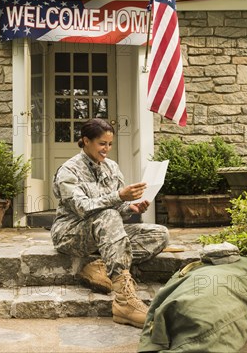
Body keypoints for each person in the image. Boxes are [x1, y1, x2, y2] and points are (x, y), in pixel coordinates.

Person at [51, 118, 169, 328]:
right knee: (108, 216)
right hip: (71, 232)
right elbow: (82, 208)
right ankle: (125, 300)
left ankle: (99, 267)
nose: (107, 149)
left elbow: (119, 209)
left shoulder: (112, 167)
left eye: (110, 144)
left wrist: (131, 207)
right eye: (102, 144)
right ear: (86, 141)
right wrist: (118, 198)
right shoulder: (68, 171)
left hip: (104, 232)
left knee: (160, 234)